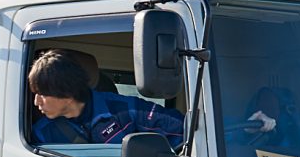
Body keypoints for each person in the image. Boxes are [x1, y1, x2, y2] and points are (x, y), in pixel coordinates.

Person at [28, 50, 185, 149]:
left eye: (42, 94)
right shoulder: (41, 133)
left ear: (67, 94)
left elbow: (184, 131)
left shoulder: (126, 110)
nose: (36, 102)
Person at [235, 84, 300, 157]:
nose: (267, 108)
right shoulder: (239, 127)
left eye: (272, 105)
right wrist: (247, 131)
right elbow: (228, 148)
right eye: (264, 103)